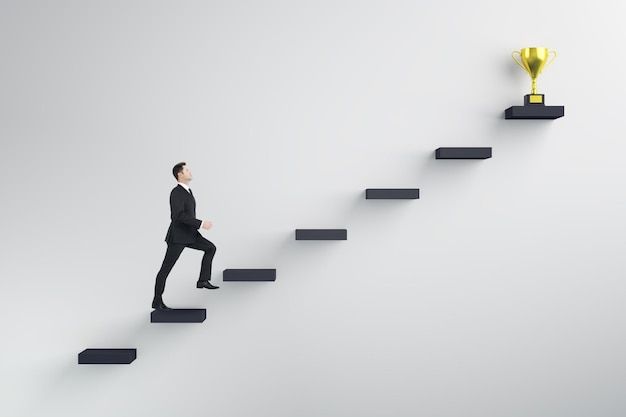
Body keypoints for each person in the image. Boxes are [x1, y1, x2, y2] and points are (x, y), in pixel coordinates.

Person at [152, 162, 218, 310]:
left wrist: (197, 226)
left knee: (210, 248)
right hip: (178, 237)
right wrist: (201, 223)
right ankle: (157, 301)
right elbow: (178, 216)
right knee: (165, 269)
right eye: (187, 170)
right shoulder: (176, 192)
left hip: (190, 234)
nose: (190, 172)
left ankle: (203, 280)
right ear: (180, 174)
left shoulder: (188, 191)